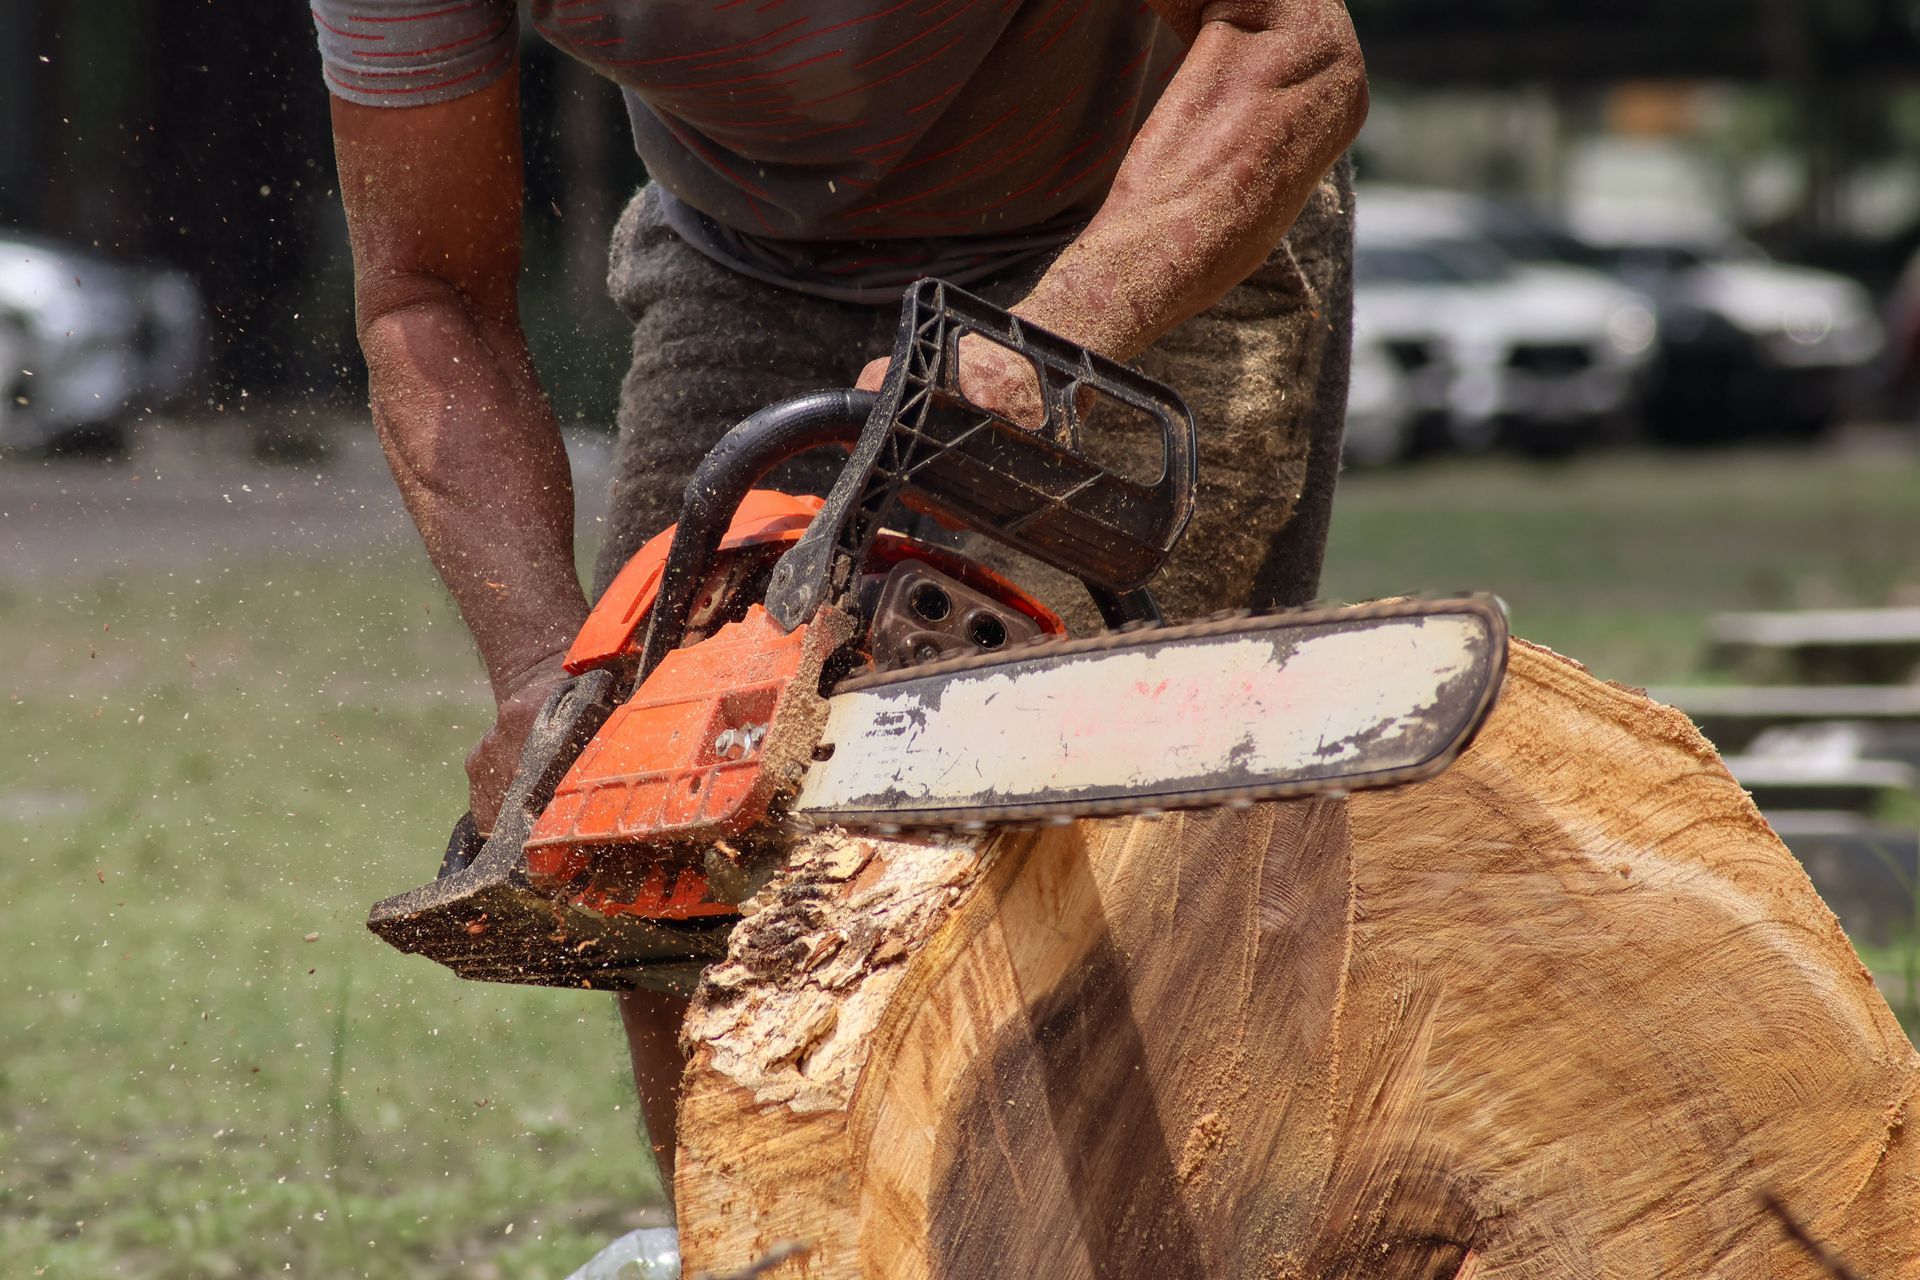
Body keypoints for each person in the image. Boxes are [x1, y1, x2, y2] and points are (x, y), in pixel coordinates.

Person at [315, 0, 1366, 1209]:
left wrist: (1043, 346)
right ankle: (770, 1235)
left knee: (1094, 863)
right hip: (745, 258)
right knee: (662, 819)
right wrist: (547, 672)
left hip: (1138, 195)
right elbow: (427, 294)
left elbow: (1289, 46)